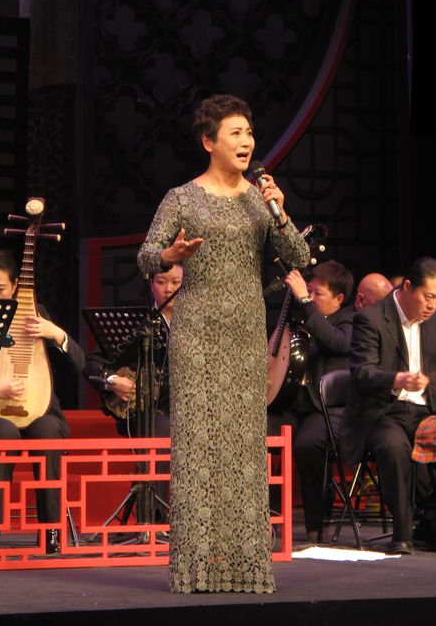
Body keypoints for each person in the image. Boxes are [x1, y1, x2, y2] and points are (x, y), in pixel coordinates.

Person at [137, 93, 308, 593]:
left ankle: (243, 564)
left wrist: (279, 211)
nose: (246, 140)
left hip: (245, 333)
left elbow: (299, 256)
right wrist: (169, 255)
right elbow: (146, 256)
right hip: (196, 332)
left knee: (243, 448)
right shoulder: (181, 197)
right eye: (235, 133)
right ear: (208, 142)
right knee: (198, 445)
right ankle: (194, 566)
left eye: (249, 132)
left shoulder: (260, 199)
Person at [339, 257, 436, 554]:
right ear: (407, 287)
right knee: (393, 446)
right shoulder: (371, 318)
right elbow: (362, 373)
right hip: (382, 414)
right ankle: (402, 533)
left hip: (425, 416)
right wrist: (397, 379)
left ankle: (435, 528)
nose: (433, 305)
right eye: (428, 296)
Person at [0, 249, 83, 554]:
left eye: (0, 289)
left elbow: (79, 366)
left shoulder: (35, 313)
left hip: (39, 409)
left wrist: (58, 335)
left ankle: (51, 532)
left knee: (47, 432)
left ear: (15, 285)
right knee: (2, 432)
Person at [269, 260, 354, 543]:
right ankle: (267, 516)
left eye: (318, 293)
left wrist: (306, 301)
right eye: (310, 291)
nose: (310, 297)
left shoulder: (349, 321)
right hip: (293, 404)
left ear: (339, 299)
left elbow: (336, 342)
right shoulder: (303, 318)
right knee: (258, 436)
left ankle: (316, 525)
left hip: (322, 409)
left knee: (308, 445)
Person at [83, 263, 182, 438]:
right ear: (151, 284)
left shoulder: (199, 325)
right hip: (149, 412)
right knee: (160, 429)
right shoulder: (137, 324)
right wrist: (113, 381)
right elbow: (92, 364)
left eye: (176, 282)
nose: (169, 289)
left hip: (190, 408)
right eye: (161, 282)